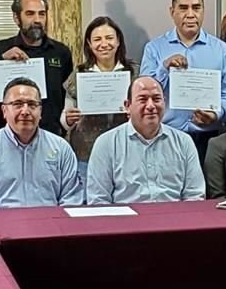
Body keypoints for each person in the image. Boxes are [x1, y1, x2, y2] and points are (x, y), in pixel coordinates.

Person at [139, 0, 226, 164]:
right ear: (172, 11)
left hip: (209, 139)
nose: (190, 14)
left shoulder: (221, 50)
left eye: (196, 8)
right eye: (183, 8)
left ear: (203, 11)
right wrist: (164, 67)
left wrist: (217, 114)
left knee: (208, 191)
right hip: (166, 137)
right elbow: (145, 93)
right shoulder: (154, 49)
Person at [0, 77, 83, 216]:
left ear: (40, 111)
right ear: (4, 110)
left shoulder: (61, 148)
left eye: (32, 104)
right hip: (1, 231)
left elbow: (72, 198)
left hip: (50, 229)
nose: (25, 111)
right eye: (18, 104)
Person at [87, 76, 205, 204]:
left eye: (156, 99)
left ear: (164, 103)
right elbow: (98, 200)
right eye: (142, 99)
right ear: (127, 106)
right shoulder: (106, 144)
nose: (151, 106)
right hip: (125, 221)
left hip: (174, 220)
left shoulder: (183, 142)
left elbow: (194, 195)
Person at [0, 0, 73, 136]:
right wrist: (1, 61)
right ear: (16, 18)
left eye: (42, 14)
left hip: (49, 136)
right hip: (7, 138)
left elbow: (67, 96)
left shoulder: (60, 52)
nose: (37, 19)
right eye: (30, 14)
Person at [62, 16, 138, 181]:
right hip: (87, 154)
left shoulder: (134, 72)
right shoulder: (79, 74)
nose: (104, 44)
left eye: (109, 38)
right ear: (89, 44)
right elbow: (65, 118)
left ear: (118, 41)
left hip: (127, 153)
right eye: (97, 39)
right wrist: (69, 119)